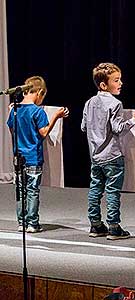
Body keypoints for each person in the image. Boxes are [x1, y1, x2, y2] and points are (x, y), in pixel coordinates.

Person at [81, 62, 135, 240]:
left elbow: (83, 127)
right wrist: (134, 120)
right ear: (103, 85)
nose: (120, 83)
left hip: (95, 156)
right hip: (112, 156)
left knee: (95, 189)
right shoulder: (115, 103)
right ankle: (114, 227)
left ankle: (95, 224)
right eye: (116, 80)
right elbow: (118, 129)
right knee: (112, 192)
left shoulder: (88, 103)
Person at [7, 75, 69, 233]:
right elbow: (44, 133)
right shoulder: (38, 112)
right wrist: (56, 116)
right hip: (33, 157)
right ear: (39, 92)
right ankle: (33, 223)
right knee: (33, 190)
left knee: (20, 190)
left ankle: (22, 223)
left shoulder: (14, 110)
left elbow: (12, 131)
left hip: (18, 157)